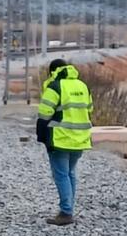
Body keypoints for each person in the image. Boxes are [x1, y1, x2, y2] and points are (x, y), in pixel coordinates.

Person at [35, 58, 92, 226]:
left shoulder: (55, 86)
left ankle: (66, 212)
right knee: (70, 173)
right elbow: (89, 109)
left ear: (52, 72)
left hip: (60, 138)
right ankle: (69, 208)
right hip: (80, 138)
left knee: (61, 175)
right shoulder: (82, 85)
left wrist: (42, 135)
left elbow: (44, 113)